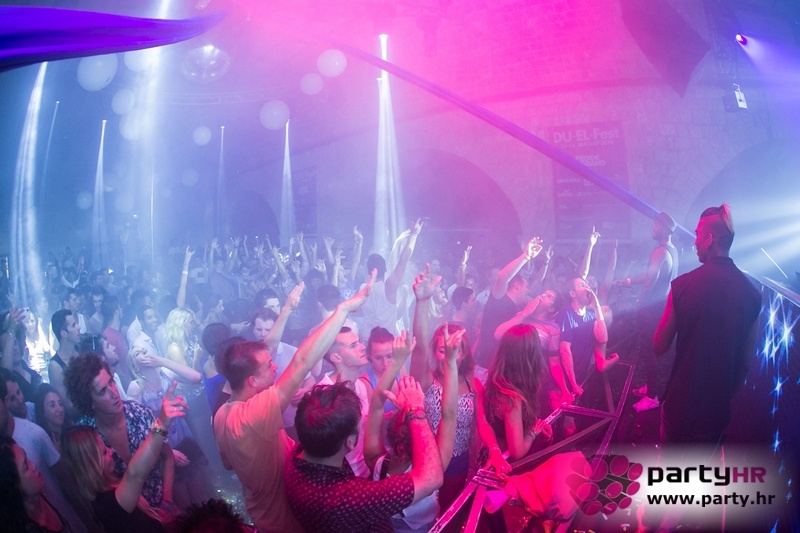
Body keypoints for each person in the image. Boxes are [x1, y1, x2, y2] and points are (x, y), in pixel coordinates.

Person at [213, 274, 374, 533]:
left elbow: (228, 464)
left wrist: (286, 310)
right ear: (253, 380)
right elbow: (301, 362)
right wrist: (343, 310)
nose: (276, 367)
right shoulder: (253, 415)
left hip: (263, 517)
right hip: (288, 522)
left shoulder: (222, 414)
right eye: (270, 366)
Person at [653, 205, 761, 445]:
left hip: (680, 409)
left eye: (697, 235)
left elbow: (659, 345)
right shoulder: (752, 295)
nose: (695, 242)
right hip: (716, 414)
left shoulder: (682, 286)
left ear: (709, 239)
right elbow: (745, 364)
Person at [285, 377, 443, 533]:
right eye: (359, 424)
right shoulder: (348, 498)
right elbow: (431, 478)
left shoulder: (296, 456)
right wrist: (415, 409)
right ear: (350, 443)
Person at [61, 380, 187, 532]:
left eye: (111, 382)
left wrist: (166, 503)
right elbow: (135, 474)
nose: (111, 451)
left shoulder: (105, 490)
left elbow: (162, 458)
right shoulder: (107, 504)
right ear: (90, 465)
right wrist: (161, 424)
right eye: (104, 452)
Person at [363, 329, 458, 532]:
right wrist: (450, 361)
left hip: (386, 526)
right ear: (427, 437)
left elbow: (376, 405)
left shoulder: (376, 461)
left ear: (389, 437)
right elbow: (449, 414)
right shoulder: (435, 467)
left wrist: (397, 361)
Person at [63, 352, 175, 509]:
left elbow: (167, 456)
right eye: (102, 391)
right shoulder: (86, 437)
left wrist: (167, 502)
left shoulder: (139, 413)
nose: (113, 393)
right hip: (127, 516)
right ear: (89, 402)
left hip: (161, 505)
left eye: (111, 382)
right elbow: (93, 491)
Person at [614, 212, 679, 412]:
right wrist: (629, 281)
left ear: (665, 229)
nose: (653, 228)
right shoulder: (672, 250)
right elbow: (652, 275)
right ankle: (651, 388)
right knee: (652, 350)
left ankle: (652, 397)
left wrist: (640, 302)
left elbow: (650, 282)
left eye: (657, 225)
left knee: (649, 351)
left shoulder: (658, 252)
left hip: (651, 310)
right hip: (662, 307)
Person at [482, 324, 553, 460]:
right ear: (530, 355)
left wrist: (536, 428)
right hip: (504, 463)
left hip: (494, 457)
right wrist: (532, 433)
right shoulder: (512, 398)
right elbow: (517, 452)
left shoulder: (499, 382)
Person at [478, 237, 543, 367]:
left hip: (502, 367)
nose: (528, 291)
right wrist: (526, 256)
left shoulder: (516, 308)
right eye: (526, 287)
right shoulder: (499, 298)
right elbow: (502, 277)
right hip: (487, 366)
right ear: (517, 286)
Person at [0, 435, 71, 532]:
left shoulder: (40, 496)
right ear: (13, 486)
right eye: (26, 467)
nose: (34, 465)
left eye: (26, 456)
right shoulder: (26, 527)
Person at [35, 384, 67, 453]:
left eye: (60, 403)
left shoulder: (72, 430)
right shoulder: (42, 442)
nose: (60, 409)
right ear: (42, 410)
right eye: (52, 405)